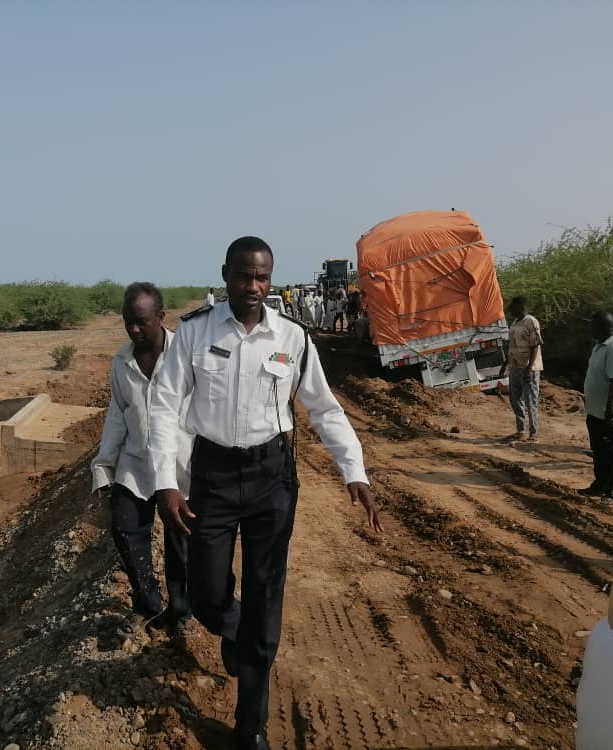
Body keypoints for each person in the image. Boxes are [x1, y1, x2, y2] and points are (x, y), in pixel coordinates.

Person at [149, 236, 383, 750]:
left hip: (271, 478)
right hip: (210, 475)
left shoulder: (293, 338)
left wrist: (354, 471)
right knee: (208, 597)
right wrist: (166, 481)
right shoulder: (193, 335)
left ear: (270, 279)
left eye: (261, 277)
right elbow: (164, 407)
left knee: (265, 593)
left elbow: (324, 409)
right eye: (242, 276)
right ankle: (230, 628)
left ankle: (249, 726)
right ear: (226, 275)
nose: (252, 287)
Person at [91, 282, 194, 638]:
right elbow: (118, 414)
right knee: (125, 529)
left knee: (181, 540)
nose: (134, 330)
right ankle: (149, 605)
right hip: (135, 465)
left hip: (180, 467)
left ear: (160, 318)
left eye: (141, 322)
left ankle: (181, 611)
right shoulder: (122, 361)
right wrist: (103, 468)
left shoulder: (185, 352)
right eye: (128, 323)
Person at [580, 311, 613, 504]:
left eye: (593, 325)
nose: (590, 329)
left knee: (612, 452)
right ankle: (600, 484)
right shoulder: (599, 346)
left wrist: (609, 410)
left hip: (610, 412)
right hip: (595, 410)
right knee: (599, 451)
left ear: (604, 327)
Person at [498, 296, 544, 443]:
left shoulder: (531, 321)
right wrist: (506, 364)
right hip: (515, 366)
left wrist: (529, 369)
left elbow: (535, 345)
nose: (510, 310)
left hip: (528, 367)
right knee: (515, 398)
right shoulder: (515, 322)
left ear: (521, 306)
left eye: (513, 307)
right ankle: (521, 430)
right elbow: (513, 346)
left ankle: (533, 433)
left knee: (530, 400)